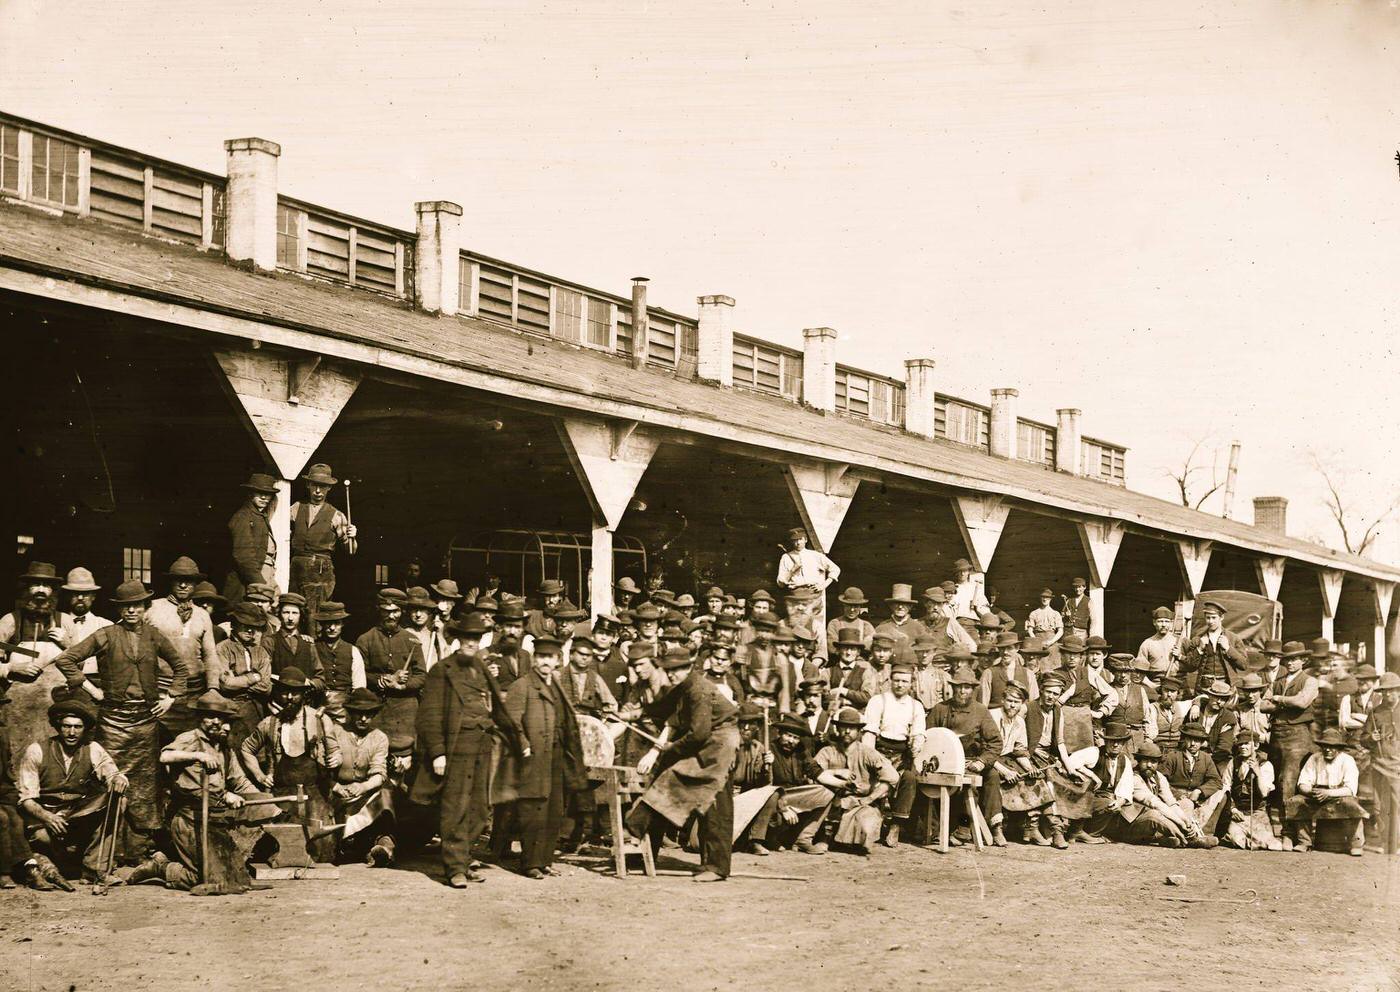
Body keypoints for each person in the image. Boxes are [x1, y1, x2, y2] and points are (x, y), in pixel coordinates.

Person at [53, 579, 188, 863]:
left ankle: (139, 853)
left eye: (137, 605)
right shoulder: (106, 634)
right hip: (112, 723)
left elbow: (181, 668)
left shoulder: (155, 636)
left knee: (144, 789)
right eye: (126, 606)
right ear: (120, 609)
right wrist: (92, 690)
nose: (131, 611)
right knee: (108, 783)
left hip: (145, 723)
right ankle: (104, 854)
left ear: (144, 607)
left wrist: (170, 697)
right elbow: (66, 660)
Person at [414, 614, 516, 886]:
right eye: (468, 637)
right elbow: (429, 715)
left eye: (477, 637)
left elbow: (498, 707)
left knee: (480, 809)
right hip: (457, 747)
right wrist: (437, 752)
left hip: (483, 745)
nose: (472, 642)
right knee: (455, 807)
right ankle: (455, 867)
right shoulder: (442, 670)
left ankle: (465, 855)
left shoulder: (481, 668)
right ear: (459, 638)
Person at [626, 646, 741, 882]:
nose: (671, 675)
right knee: (669, 782)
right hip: (708, 741)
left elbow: (698, 734)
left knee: (714, 801)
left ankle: (717, 867)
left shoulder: (698, 689)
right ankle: (637, 836)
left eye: (676, 671)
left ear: (688, 667)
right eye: (668, 671)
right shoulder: (683, 687)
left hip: (720, 743)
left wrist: (671, 748)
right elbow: (663, 709)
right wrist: (632, 714)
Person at [159, 690, 276, 890]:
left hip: (214, 819)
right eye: (211, 716)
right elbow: (165, 757)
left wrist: (267, 802)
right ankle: (160, 867)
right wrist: (198, 756)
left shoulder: (225, 748)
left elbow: (239, 782)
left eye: (221, 718)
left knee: (234, 878)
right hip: (190, 819)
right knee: (201, 878)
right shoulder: (190, 739)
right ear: (199, 718)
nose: (217, 722)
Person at [491, 636, 587, 879]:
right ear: (534, 659)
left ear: (557, 660)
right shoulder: (522, 686)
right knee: (533, 808)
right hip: (531, 757)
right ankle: (530, 863)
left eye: (550, 657)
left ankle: (545, 860)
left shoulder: (555, 686)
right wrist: (523, 745)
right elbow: (509, 721)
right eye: (541, 657)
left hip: (555, 754)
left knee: (554, 808)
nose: (545, 661)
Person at [17, 694, 127, 885]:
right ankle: (49, 863)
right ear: (58, 727)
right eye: (67, 726)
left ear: (84, 729)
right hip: (45, 815)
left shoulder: (92, 748)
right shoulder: (37, 750)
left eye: (77, 727)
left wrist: (118, 778)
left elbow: (111, 772)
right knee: (42, 839)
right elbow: (26, 799)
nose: (71, 732)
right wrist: (48, 817)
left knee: (119, 800)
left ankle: (94, 870)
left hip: (77, 814)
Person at [239, 667, 342, 864]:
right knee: (274, 853)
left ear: (303, 694)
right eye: (284, 692)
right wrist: (260, 776)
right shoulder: (269, 724)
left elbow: (336, 751)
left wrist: (335, 759)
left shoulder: (319, 720)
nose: (288, 697)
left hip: (314, 796)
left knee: (322, 855)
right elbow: (246, 749)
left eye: (294, 692)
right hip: (281, 798)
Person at [0, 561, 69, 764]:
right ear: (26, 589)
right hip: (19, 710)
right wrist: (11, 668)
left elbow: (84, 661)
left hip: (56, 706)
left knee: (53, 758)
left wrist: (68, 643)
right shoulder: (10, 621)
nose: (40, 590)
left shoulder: (65, 621)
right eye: (35, 585)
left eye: (46, 586)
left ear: (54, 591)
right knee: (18, 759)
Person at [928, 664, 1005, 845]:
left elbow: (995, 742)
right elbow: (928, 737)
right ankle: (940, 829)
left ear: (972, 689)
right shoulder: (940, 709)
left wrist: (981, 761)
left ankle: (991, 828)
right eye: (959, 687)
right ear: (953, 687)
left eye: (967, 687)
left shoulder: (980, 711)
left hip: (971, 761)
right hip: (944, 762)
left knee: (991, 776)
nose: (962, 691)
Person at [145, 556, 220, 735]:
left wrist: (212, 688)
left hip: (194, 693)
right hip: (161, 691)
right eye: (178, 580)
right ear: (171, 582)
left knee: (189, 743)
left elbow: (210, 655)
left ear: (195, 584)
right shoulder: (153, 609)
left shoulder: (202, 615)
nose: (183, 585)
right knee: (159, 741)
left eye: (188, 581)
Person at [811, 707, 899, 855]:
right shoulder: (827, 751)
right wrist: (836, 774)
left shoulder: (867, 752)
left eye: (852, 728)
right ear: (837, 729)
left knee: (865, 829)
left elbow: (892, 777)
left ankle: (848, 839)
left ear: (858, 732)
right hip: (832, 803)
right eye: (843, 727)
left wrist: (869, 798)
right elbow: (814, 774)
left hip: (860, 804)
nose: (847, 731)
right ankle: (824, 838)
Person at [355, 589, 427, 766]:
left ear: (402, 612)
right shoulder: (365, 640)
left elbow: (421, 675)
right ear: (379, 610)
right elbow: (359, 674)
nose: (391, 615)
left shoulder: (411, 640)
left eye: (395, 611)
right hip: (378, 710)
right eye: (387, 611)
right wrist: (382, 679)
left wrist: (403, 686)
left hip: (405, 714)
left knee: (405, 764)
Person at [745, 713, 833, 854]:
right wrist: (784, 807)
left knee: (827, 794)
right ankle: (756, 841)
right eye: (788, 735)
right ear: (779, 733)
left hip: (793, 796)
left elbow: (816, 772)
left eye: (796, 737)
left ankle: (803, 839)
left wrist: (843, 783)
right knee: (772, 797)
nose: (791, 741)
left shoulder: (801, 751)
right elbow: (761, 785)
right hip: (772, 798)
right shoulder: (768, 750)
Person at [991, 681, 1065, 848]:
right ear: (1003, 700)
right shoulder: (992, 716)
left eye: (1017, 702)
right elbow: (985, 751)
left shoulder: (1019, 722)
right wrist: (1004, 771)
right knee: (1002, 779)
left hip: (1007, 758)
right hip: (990, 760)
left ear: (1021, 704)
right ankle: (1000, 828)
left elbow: (1019, 750)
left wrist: (1030, 768)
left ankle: (1047, 829)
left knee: (1037, 777)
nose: (1012, 705)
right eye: (1009, 700)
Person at [327, 688, 396, 867]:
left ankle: (382, 847)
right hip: (336, 795)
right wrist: (336, 787)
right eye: (359, 714)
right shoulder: (335, 732)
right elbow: (322, 771)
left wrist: (362, 787)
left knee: (385, 795)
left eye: (369, 714)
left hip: (364, 794)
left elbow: (379, 773)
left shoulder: (379, 738)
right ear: (350, 713)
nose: (364, 719)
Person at [861, 665, 927, 846]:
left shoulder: (916, 706)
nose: (899, 685)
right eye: (896, 680)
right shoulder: (878, 701)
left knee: (909, 779)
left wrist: (916, 745)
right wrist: (871, 760)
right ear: (890, 681)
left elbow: (918, 733)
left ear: (911, 683)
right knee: (875, 781)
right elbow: (870, 732)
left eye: (904, 681)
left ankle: (896, 826)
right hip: (878, 751)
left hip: (902, 754)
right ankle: (872, 824)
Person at [288, 463, 358, 626]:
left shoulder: (337, 515)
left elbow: (350, 551)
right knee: (293, 610)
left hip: (320, 571)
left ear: (329, 488)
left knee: (315, 617)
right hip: (296, 567)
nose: (318, 491)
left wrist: (352, 536)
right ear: (308, 485)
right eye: (315, 485)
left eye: (323, 486)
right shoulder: (296, 508)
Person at [1261, 640, 1317, 841]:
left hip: (1297, 735)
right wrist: (1282, 703)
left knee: (1289, 782)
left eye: (1295, 659)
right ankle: (1284, 830)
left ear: (1303, 660)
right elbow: (1262, 705)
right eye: (1287, 659)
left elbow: (1302, 702)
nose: (1291, 663)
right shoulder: (1279, 681)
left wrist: (1279, 700)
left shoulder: (1309, 681)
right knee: (1275, 781)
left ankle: (1290, 833)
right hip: (1277, 735)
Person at [1287, 727, 1366, 856]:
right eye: (1324, 746)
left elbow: (1350, 789)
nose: (1327, 749)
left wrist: (1329, 793)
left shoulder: (1347, 760)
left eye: (1332, 747)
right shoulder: (1315, 758)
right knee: (1297, 801)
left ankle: (1356, 844)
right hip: (1317, 794)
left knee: (1352, 805)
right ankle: (1304, 842)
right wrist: (1312, 792)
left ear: (1339, 749)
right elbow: (1303, 783)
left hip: (1339, 794)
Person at [211, 601, 273, 745]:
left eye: (254, 627)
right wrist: (253, 677)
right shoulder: (223, 649)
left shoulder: (261, 652)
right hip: (231, 710)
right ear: (234, 624)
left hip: (256, 710)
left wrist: (237, 680)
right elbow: (225, 684)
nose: (250, 630)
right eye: (245, 625)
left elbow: (266, 687)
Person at [1122, 741, 1197, 848]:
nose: (1149, 765)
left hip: (1154, 823)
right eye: (1145, 760)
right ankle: (1188, 839)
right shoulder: (1133, 777)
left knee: (1185, 803)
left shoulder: (1159, 777)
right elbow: (1153, 802)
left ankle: (1168, 838)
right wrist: (1181, 823)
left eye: (1153, 762)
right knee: (1154, 814)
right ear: (1138, 761)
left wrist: (1186, 820)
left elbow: (1170, 802)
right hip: (1132, 825)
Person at [1160, 723, 1224, 843]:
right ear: (1184, 739)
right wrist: (1177, 794)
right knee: (1186, 805)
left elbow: (1216, 781)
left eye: (1197, 740)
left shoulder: (1206, 758)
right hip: (1176, 798)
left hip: (1197, 797)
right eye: (1190, 739)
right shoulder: (1173, 756)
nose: (1193, 744)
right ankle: (1187, 835)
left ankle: (1204, 831)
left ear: (1202, 742)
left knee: (1221, 794)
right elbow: (1160, 780)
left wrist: (1199, 791)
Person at [1077, 720, 1136, 843]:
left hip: (1107, 798)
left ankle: (1097, 833)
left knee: (1122, 810)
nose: (1115, 745)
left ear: (1123, 744)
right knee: (1107, 804)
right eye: (1112, 741)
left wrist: (1120, 801)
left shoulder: (1124, 760)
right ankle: (1088, 834)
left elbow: (1127, 787)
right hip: (1086, 797)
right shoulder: (1095, 752)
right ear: (1106, 741)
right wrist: (1092, 775)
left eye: (1119, 742)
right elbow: (1071, 762)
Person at [225, 471, 278, 605]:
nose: (264, 497)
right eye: (259, 492)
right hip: (246, 583)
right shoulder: (243, 517)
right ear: (250, 494)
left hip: (261, 578)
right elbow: (244, 556)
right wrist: (261, 586)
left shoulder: (260, 516)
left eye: (268, 494)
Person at [1221, 732, 1281, 850]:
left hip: (1257, 813)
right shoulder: (1233, 762)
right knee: (1236, 839)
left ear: (1257, 745)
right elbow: (1225, 787)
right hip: (1239, 813)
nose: (1243, 747)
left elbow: (1264, 793)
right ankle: (1246, 840)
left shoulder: (1265, 764)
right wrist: (1232, 809)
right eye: (1240, 744)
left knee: (1273, 845)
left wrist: (1257, 772)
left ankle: (1255, 841)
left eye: (1247, 744)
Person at [312, 602, 366, 721]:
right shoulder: (312, 647)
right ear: (322, 624)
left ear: (342, 624)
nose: (332, 628)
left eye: (336, 623)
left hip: (344, 710)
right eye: (328, 624)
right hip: (316, 706)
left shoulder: (353, 651)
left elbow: (359, 687)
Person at [1180, 599, 1248, 693]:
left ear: (1221, 617)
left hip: (1227, 686)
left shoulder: (1233, 638)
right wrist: (1199, 649)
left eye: (1214, 617)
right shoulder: (1198, 639)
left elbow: (1244, 665)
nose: (1210, 621)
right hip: (1204, 687)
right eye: (1208, 618)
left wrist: (1228, 648)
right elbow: (1190, 667)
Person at [262, 592, 320, 680]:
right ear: (279, 614)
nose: (290, 618)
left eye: (295, 613)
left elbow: (320, 677)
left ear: (301, 616)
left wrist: (311, 683)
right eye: (286, 612)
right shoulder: (270, 641)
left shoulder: (308, 643)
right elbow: (264, 673)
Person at [823, 628, 880, 711]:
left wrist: (843, 691)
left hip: (857, 716)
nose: (848, 653)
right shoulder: (827, 672)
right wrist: (846, 701)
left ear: (858, 652)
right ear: (838, 650)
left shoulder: (866, 672)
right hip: (833, 714)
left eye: (853, 649)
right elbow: (824, 697)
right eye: (845, 648)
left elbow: (866, 697)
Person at [1188, 679, 1239, 772]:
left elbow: (1224, 746)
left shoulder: (1228, 717)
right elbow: (1186, 735)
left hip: (1216, 757)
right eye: (1216, 697)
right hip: (1192, 753)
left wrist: (1206, 759)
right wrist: (1196, 705)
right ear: (1210, 696)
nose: (1219, 701)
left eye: (1223, 699)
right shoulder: (1196, 711)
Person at [980, 631, 1037, 709]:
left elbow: (1033, 706)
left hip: (1021, 719)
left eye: (1009, 648)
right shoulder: (989, 673)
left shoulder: (1028, 674)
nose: (1005, 652)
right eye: (1002, 649)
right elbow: (983, 706)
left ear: (1017, 648)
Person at [874, 584, 926, 666]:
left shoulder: (918, 628)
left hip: (909, 672)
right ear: (891, 606)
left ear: (910, 606)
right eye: (897, 603)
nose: (900, 607)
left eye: (904, 604)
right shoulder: (882, 627)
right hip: (886, 670)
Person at [59, 567, 111, 646]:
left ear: (93, 596)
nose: (80, 598)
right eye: (75, 593)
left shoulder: (105, 626)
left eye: (85, 593)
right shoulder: (58, 622)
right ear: (68, 596)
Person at [487, 600, 532, 688]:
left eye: (517, 627)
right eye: (508, 626)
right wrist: (487, 676)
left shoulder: (525, 655)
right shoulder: (487, 653)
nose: (512, 632)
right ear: (500, 628)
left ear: (522, 630)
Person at [1116, 659, 1159, 746]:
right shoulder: (1109, 688)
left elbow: (1148, 716)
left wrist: (1148, 738)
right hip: (1115, 737)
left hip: (1135, 737)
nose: (1138, 675)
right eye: (1136, 671)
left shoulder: (1143, 690)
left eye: (1142, 673)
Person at [1135, 606, 1183, 682]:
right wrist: (1152, 686)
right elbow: (1139, 673)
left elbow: (1193, 665)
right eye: (1160, 621)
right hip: (1158, 683)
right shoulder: (1147, 644)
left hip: (1179, 683)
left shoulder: (1181, 641)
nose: (1163, 624)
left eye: (1166, 621)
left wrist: (1181, 656)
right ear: (1154, 622)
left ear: (1171, 623)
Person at [827, 587, 874, 652]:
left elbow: (869, 646)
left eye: (856, 606)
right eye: (848, 605)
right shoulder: (835, 623)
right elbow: (832, 647)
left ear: (860, 607)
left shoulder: (866, 626)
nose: (852, 610)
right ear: (843, 605)